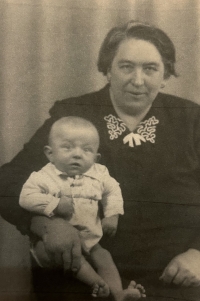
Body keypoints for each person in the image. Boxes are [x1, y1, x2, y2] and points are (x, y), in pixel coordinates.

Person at [1, 19, 200, 300]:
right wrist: (46, 224)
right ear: (108, 69)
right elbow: (8, 180)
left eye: (151, 69)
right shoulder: (73, 113)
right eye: (126, 66)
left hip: (172, 278)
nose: (138, 80)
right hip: (83, 273)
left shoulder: (191, 120)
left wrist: (198, 254)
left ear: (166, 75)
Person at [19, 116, 145, 300]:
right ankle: (98, 284)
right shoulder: (43, 176)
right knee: (74, 259)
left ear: (96, 157)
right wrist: (54, 205)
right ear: (50, 153)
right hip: (55, 245)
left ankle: (118, 294)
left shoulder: (100, 173)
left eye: (87, 150)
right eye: (67, 147)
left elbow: (113, 191)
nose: (77, 154)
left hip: (91, 239)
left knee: (104, 257)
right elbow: (25, 197)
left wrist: (112, 215)